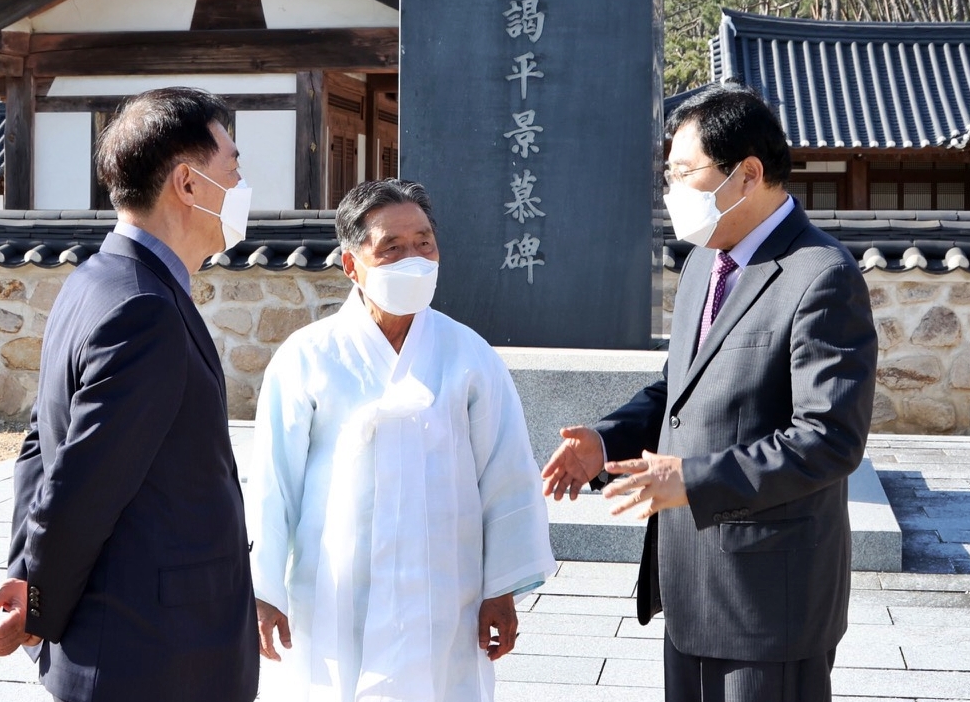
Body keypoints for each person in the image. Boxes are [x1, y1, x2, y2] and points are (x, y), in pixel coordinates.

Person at [542, 86, 877, 702]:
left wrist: (692, 479)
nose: (672, 192)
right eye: (668, 175)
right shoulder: (706, 259)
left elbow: (829, 438)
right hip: (692, 579)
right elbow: (684, 384)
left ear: (748, 174)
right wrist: (604, 441)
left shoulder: (820, 275)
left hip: (769, 595)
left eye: (684, 173)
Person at [0, 87, 258, 702]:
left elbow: (38, 448)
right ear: (188, 184)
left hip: (126, 640)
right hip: (154, 649)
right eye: (232, 167)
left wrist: (26, 575)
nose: (242, 185)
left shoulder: (95, 279)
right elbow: (83, 484)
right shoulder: (144, 307)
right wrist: (36, 606)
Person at [250, 178, 555, 702]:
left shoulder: (469, 355)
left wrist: (500, 588)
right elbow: (274, 484)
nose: (413, 258)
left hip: (444, 589)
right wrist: (264, 591)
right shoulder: (308, 356)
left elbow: (506, 476)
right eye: (391, 248)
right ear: (351, 265)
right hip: (333, 588)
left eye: (424, 243)